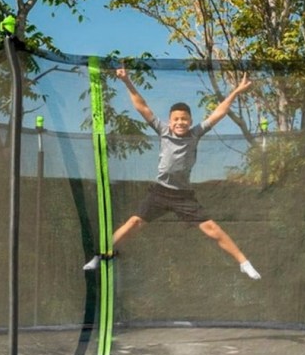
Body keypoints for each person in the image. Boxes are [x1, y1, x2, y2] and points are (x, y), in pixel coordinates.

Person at [83, 67, 261, 280]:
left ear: (190, 120)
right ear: (169, 121)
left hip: (183, 195)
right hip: (159, 192)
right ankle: (101, 255)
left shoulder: (196, 133)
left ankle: (244, 262)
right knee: (133, 224)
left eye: (184, 119)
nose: (180, 122)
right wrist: (127, 81)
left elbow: (219, 112)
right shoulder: (163, 131)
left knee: (211, 228)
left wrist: (236, 92)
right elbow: (142, 107)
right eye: (176, 119)